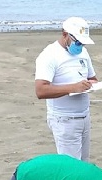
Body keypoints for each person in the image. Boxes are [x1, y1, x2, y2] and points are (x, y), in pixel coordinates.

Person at [35, 17, 98, 161]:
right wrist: (74, 87)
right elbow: (40, 90)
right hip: (64, 120)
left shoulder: (83, 52)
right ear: (65, 35)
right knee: (71, 167)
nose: (80, 46)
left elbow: (93, 78)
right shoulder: (49, 55)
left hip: (84, 116)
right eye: (78, 42)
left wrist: (93, 84)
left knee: (84, 164)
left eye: (83, 43)